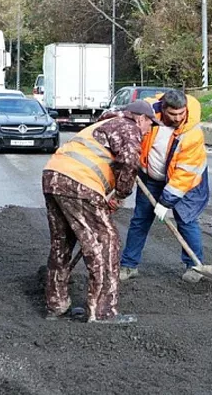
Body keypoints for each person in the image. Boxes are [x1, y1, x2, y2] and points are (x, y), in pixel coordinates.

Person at [42, 100, 158, 323]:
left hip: (52, 176)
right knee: (105, 242)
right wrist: (120, 194)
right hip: (78, 182)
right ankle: (103, 312)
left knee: (62, 243)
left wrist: (110, 192)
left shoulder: (103, 125)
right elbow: (130, 161)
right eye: (149, 125)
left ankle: (56, 305)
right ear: (141, 118)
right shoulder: (128, 127)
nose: (148, 130)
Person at [119, 89, 210, 283]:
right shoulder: (148, 115)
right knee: (140, 220)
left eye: (181, 113)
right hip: (150, 178)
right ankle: (129, 265)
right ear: (163, 108)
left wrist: (166, 202)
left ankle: (194, 266)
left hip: (185, 182)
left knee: (186, 220)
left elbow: (184, 174)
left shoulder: (192, 133)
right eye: (172, 114)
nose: (177, 118)